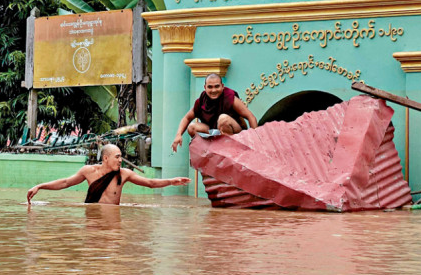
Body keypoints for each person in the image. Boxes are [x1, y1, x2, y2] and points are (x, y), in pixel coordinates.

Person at [27, 144, 190, 205]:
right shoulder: (88, 171)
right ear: (106, 158)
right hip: (92, 220)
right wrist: (40, 186)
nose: (121, 160)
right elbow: (65, 183)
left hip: (113, 222)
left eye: (121, 156)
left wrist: (171, 181)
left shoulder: (124, 174)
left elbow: (150, 183)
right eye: (117, 157)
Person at [171, 73, 257, 152]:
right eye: (210, 87)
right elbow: (187, 118)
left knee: (223, 119)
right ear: (205, 87)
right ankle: (207, 151)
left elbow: (251, 117)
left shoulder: (231, 98)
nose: (213, 90)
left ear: (222, 86)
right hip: (215, 132)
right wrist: (178, 135)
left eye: (217, 86)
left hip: (236, 133)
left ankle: (228, 150)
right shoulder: (201, 101)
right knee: (192, 127)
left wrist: (256, 142)